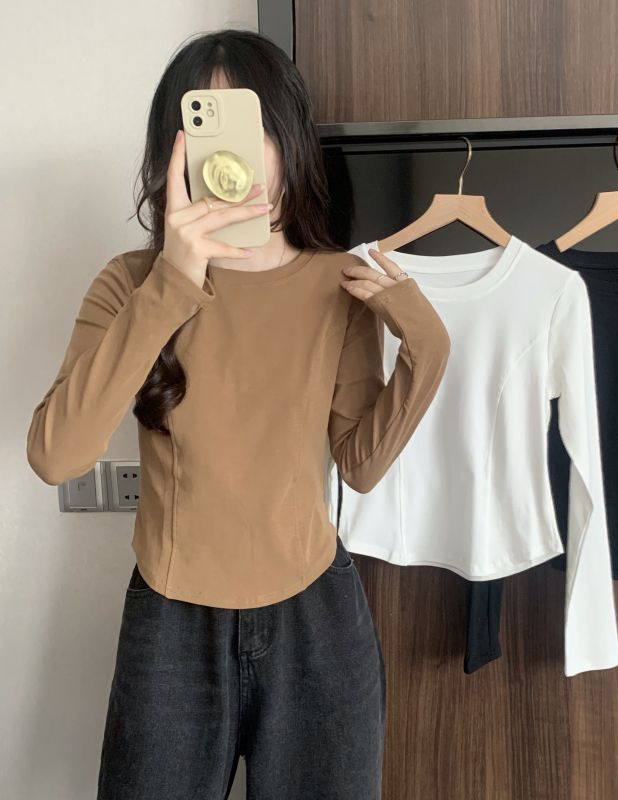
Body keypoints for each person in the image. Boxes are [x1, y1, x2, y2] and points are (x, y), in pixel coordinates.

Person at [25, 29, 450, 800]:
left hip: (317, 621)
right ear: (172, 156)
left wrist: (427, 346)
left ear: (288, 140)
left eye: (251, 127)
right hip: (172, 625)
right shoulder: (130, 284)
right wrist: (173, 282)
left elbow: (360, 466)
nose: (234, 157)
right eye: (203, 126)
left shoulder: (340, 285)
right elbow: (56, 455)